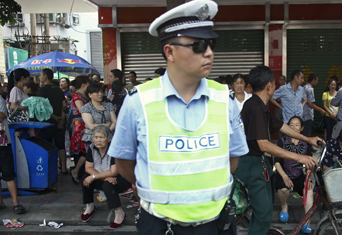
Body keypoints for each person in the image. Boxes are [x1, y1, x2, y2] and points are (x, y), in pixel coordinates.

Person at [108, 1, 249, 234]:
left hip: (217, 223)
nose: (209, 52)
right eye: (199, 45)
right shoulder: (138, 102)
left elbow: (231, 161)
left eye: (211, 44)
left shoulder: (225, 99)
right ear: (169, 51)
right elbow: (124, 164)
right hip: (160, 224)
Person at [235, 65, 319, 235]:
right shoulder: (255, 107)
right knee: (264, 214)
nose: (276, 87)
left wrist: (308, 139)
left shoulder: (261, 105)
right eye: (275, 84)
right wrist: (298, 157)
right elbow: (263, 145)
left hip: (259, 162)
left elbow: (281, 125)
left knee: (267, 202)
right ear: (269, 86)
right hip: (250, 163)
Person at [81, 125, 131, 228]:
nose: (98, 140)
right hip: (104, 175)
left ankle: (119, 212)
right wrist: (101, 177)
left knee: (108, 185)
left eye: (101, 137)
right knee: (85, 177)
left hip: (122, 178)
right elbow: (88, 167)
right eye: (96, 137)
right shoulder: (92, 148)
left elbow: (114, 172)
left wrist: (95, 177)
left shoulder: (115, 149)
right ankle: (89, 206)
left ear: (109, 139)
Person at [274, 116, 314, 234]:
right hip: (283, 174)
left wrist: (308, 178)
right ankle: (284, 206)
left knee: (309, 190)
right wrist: (285, 177)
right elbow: (276, 162)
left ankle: (306, 222)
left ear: (301, 128)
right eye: (291, 125)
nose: (293, 127)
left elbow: (310, 163)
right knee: (283, 188)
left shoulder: (306, 143)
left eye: (297, 125)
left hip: (299, 175)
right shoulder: (282, 141)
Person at [0, 88, 26, 214]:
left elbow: (0, 116)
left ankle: (15, 202)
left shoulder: (0, 100)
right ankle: (1, 202)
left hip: (2, 143)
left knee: (8, 174)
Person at [38, 69, 68, 175]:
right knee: (61, 145)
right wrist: (61, 119)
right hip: (59, 123)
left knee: (47, 145)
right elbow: (64, 106)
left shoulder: (42, 90)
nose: (39, 77)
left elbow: (43, 108)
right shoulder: (59, 90)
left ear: (45, 76)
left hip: (47, 123)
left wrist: (55, 117)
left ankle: (50, 168)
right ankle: (64, 167)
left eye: (41, 75)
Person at [69, 76, 90, 184]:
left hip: (83, 124)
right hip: (80, 125)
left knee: (85, 149)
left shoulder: (82, 96)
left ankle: (78, 171)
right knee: (84, 149)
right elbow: (82, 110)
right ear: (83, 85)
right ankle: (76, 171)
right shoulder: (77, 96)